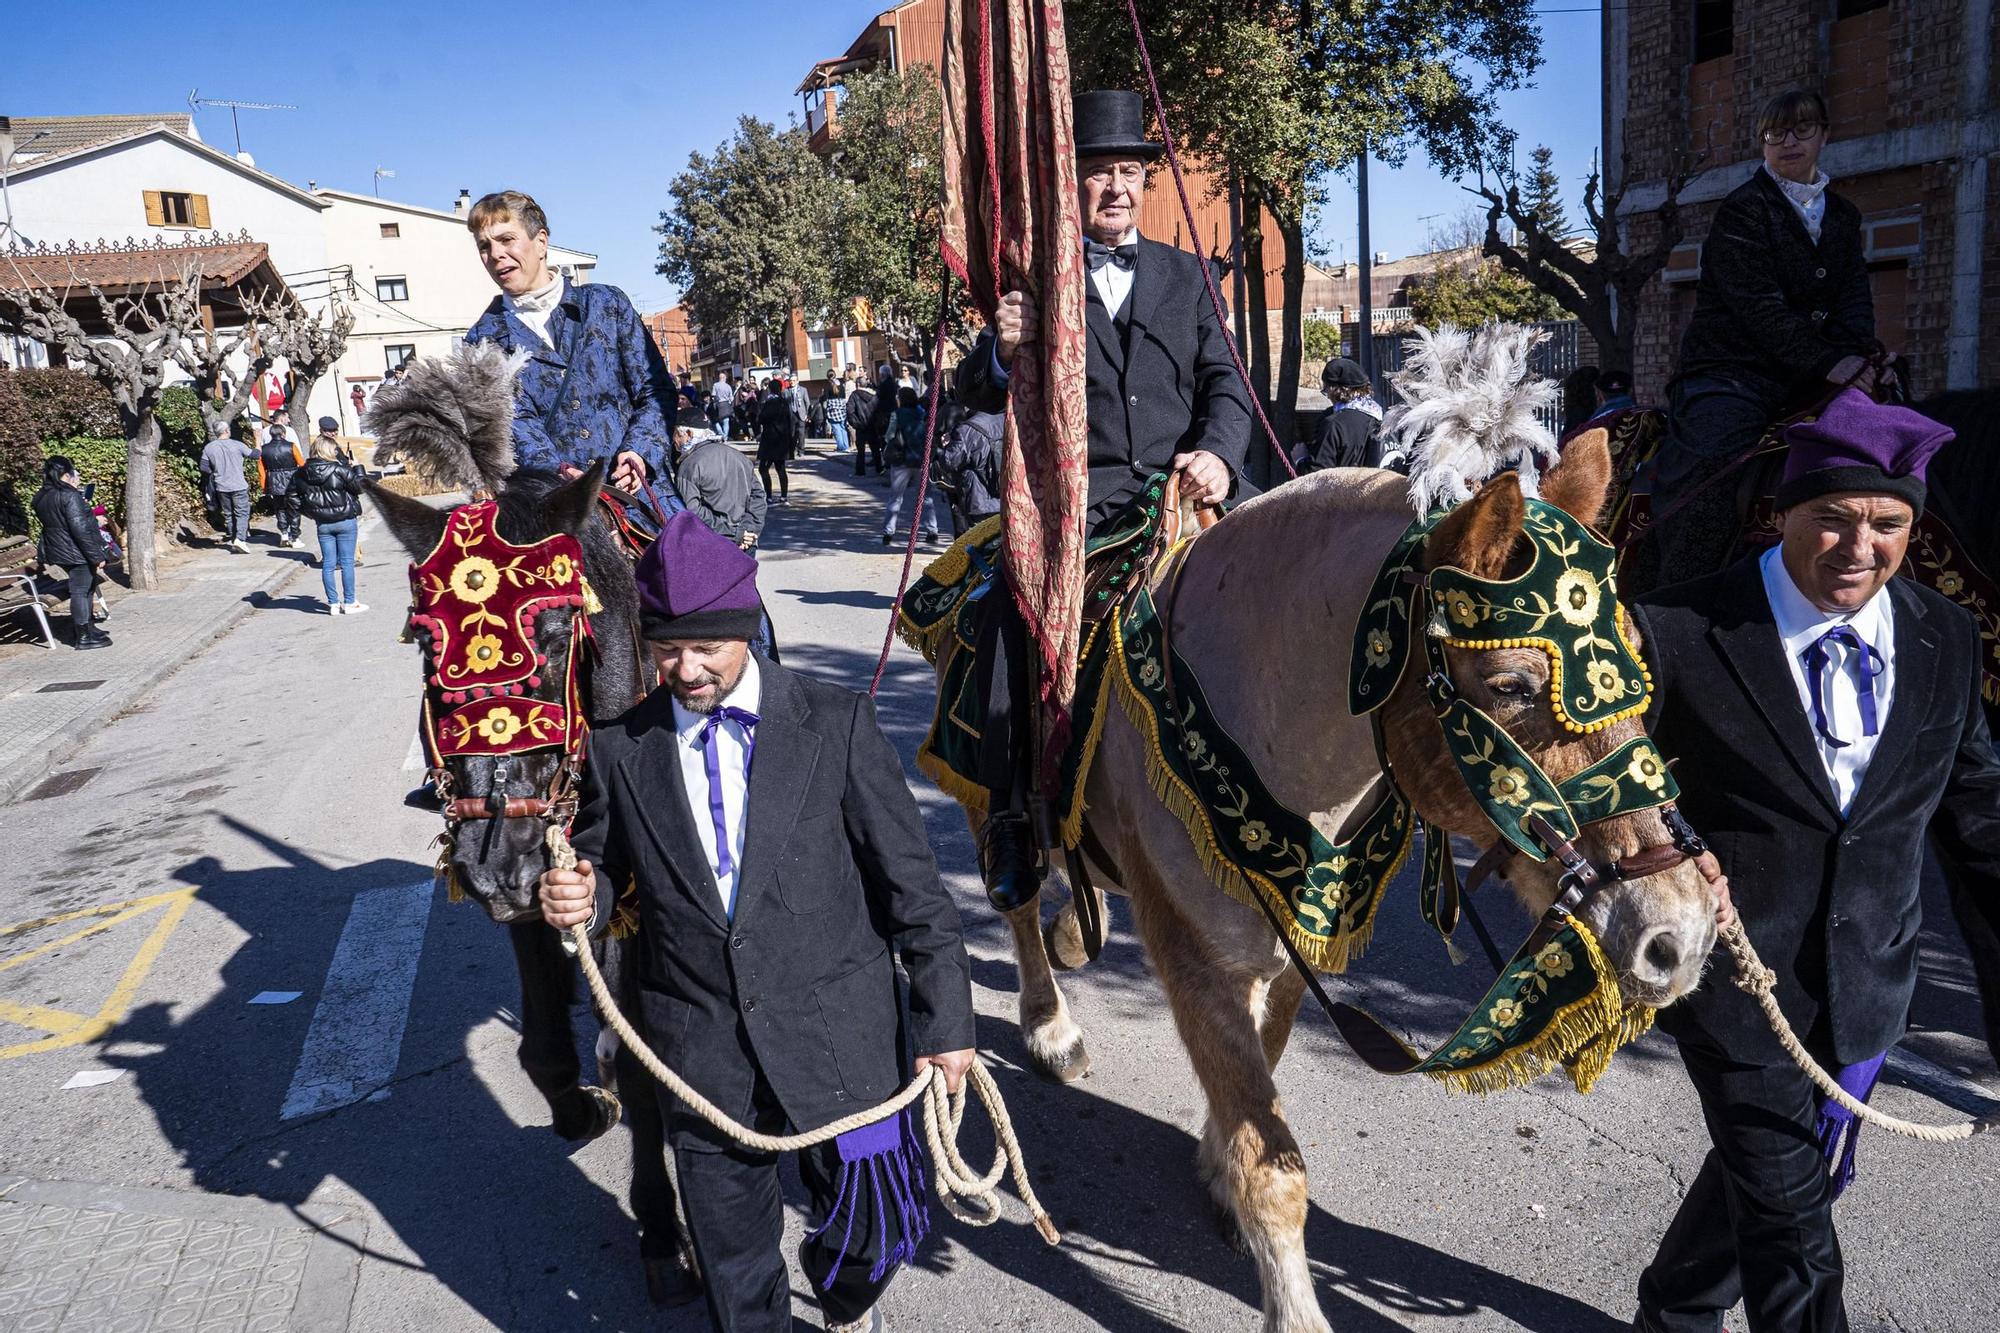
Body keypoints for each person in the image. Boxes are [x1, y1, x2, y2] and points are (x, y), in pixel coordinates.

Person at [537, 512, 975, 1333]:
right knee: (735, 1278)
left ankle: (841, 1294)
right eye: (667, 648)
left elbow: (914, 890)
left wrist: (946, 1018)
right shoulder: (617, 749)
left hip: (844, 1043)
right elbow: (600, 870)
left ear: (746, 625)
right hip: (701, 1050)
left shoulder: (836, 722)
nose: (687, 668)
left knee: (875, 1236)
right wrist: (580, 895)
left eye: (707, 646)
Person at [1628, 390, 2000, 1333]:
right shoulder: (1677, 630)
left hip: (1872, 981)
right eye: (1831, 517)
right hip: (1736, 989)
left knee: (1796, 1173)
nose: (1857, 546)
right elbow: (1612, 796)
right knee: (1796, 1229)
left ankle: (1673, 1303)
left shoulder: (1944, 638)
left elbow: (1980, 822)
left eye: (1887, 523)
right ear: (1783, 512)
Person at [954, 88, 1251, 905]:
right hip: (1073, 511)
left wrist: (1221, 457)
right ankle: (1013, 817)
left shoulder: (1190, 277)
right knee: (1007, 620)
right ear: (1071, 184)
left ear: (1146, 181)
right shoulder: (1034, 276)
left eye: (1129, 171)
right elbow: (974, 388)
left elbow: (1228, 385)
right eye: (1098, 172)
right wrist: (999, 344)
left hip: (1186, 493)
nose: (1116, 187)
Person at [1652, 89, 1880, 588]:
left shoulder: (1843, 216)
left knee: (1891, 431)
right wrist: (1827, 360)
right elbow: (1758, 307)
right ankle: (1674, 595)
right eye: (1775, 134)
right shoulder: (1743, 210)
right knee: (1714, 461)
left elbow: (1853, 298)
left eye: (1801, 129)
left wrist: (1862, 358)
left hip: (1808, 374)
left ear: (1823, 134)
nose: (1787, 142)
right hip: (1732, 372)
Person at [463, 191, 674, 492]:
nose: (495, 254)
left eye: (506, 239)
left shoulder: (607, 304)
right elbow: (510, 424)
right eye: (484, 246)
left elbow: (655, 389)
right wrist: (555, 471)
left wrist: (640, 451)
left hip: (641, 499)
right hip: (553, 511)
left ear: (541, 242)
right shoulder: (482, 341)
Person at [32, 455, 111, 651]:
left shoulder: (42, 495)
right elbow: (80, 528)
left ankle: (88, 627)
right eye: (73, 473)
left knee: (88, 585)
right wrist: (96, 556)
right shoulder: (69, 495)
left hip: (58, 548)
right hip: (76, 549)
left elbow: (60, 521)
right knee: (80, 589)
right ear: (67, 474)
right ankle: (82, 636)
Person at [285, 436, 368, 614]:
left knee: (328, 564)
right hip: (345, 519)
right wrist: (358, 467)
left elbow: (291, 497)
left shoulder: (300, 473)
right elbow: (360, 487)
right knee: (346, 562)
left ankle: (333, 604)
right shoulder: (339, 469)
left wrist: (310, 512)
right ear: (330, 451)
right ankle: (350, 601)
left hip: (323, 523)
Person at [672, 406, 767, 551]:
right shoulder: (738, 456)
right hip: (745, 542)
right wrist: (748, 530)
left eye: (675, 434)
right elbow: (758, 497)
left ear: (689, 434)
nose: (674, 440)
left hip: (715, 545)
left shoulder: (689, 465)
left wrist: (737, 533)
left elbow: (691, 511)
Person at [881, 386, 943, 547]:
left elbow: (889, 436)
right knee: (926, 498)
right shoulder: (922, 413)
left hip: (901, 461)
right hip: (922, 460)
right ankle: (932, 531)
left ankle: (888, 532)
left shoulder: (897, 415)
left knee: (895, 498)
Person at [1303, 357, 1384, 471]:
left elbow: (1317, 475)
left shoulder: (1334, 424)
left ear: (1333, 390)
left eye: (1326, 391)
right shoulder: (1383, 417)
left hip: (1347, 488)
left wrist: (1300, 459)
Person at [938, 407, 1003, 534]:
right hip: (1009, 495)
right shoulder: (1008, 420)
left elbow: (949, 461)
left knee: (981, 543)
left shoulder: (967, 429)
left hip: (980, 500)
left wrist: (945, 446)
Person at [200, 423, 257, 553]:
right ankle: (240, 539)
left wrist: (216, 470)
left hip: (221, 485)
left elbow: (204, 467)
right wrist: (258, 440)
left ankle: (234, 539)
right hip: (238, 484)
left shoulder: (209, 448)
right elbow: (255, 455)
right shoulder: (237, 445)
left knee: (229, 514)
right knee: (242, 513)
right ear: (226, 430)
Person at [260, 423, 304, 548]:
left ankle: (284, 533)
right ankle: (295, 537)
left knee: (280, 508)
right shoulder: (291, 446)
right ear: (283, 434)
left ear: (270, 434)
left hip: (273, 481)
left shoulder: (264, 449)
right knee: (294, 509)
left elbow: (261, 470)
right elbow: (301, 463)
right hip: (292, 480)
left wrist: (264, 486)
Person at [755, 378, 796, 504]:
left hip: (770, 440)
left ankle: (769, 496)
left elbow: (762, 418)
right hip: (782, 440)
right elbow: (791, 420)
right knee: (780, 468)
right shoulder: (785, 402)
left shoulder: (771, 402)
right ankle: (784, 496)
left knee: (763, 468)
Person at [846, 376, 880, 476]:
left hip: (861, 427)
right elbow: (878, 411)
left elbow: (850, 411)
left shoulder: (854, 395)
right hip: (872, 425)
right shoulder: (874, 395)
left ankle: (860, 470)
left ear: (857, 385)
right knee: (875, 449)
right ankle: (879, 468)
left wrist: (856, 424)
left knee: (860, 450)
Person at [825, 378, 851, 454]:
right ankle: (846, 446)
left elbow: (826, 400)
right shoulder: (842, 388)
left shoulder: (829, 388)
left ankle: (840, 447)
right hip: (842, 411)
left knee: (837, 430)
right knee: (843, 429)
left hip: (833, 412)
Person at [788, 376, 811, 458]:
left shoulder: (803, 390)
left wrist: (807, 415)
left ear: (797, 381)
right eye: (790, 381)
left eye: (794, 380)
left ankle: (801, 450)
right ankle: (792, 451)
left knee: (801, 434)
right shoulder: (786, 391)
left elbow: (807, 402)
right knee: (792, 434)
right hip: (791, 415)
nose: (792, 382)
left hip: (801, 414)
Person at [710, 373, 735, 445]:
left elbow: (713, 395)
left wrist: (715, 402)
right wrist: (729, 402)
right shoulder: (728, 386)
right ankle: (725, 437)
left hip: (718, 404)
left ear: (719, 378)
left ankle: (721, 434)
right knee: (726, 422)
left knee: (716, 421)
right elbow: (731, 397)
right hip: (726, 404)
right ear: (725, 378)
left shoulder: (715, 385)